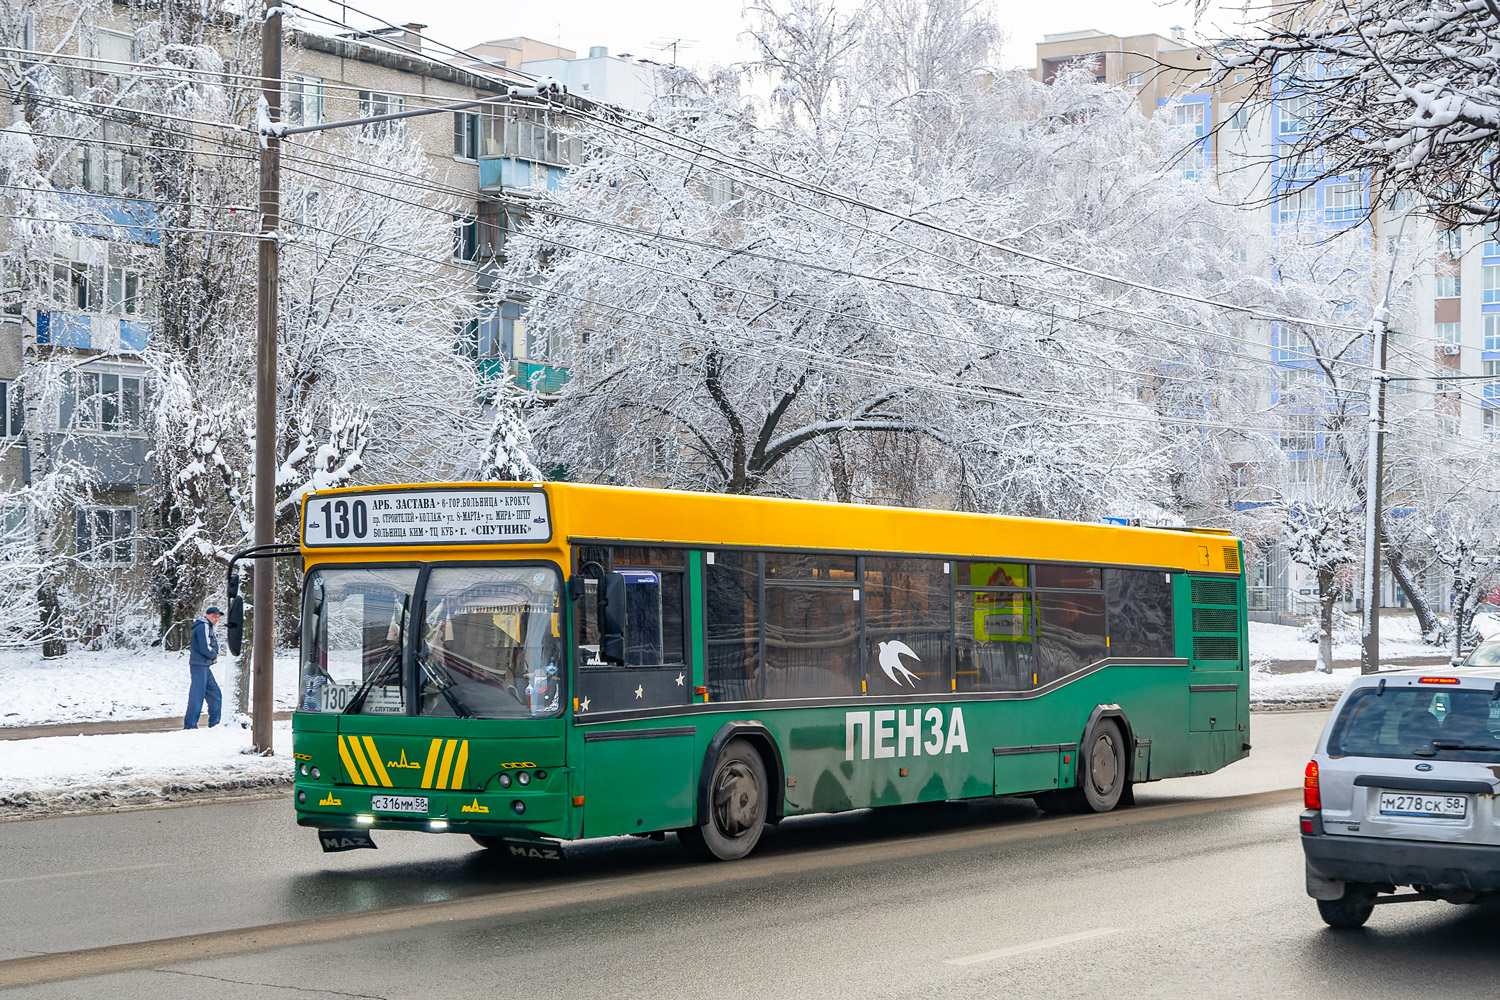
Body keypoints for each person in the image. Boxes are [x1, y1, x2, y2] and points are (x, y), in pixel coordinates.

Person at [185, 606, 224, 729]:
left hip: (204, 666)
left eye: (218, 617)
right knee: (197, 696)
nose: (216, 619)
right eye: (214, 616)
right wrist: (213, 655)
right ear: (207, 616)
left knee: (215, 694)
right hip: (200, 665)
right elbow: (204, 647)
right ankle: (190, 725)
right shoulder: (204, 626)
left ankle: (215, 723)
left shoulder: (206, 626)